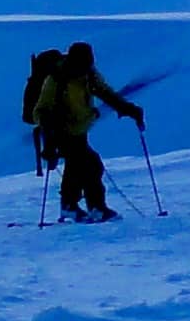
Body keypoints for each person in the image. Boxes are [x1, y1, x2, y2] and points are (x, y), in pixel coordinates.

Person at [28, 40, 143, 221]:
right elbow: (41, 111)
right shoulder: (56, 79)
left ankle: (71, 206)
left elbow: (105, 92)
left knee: (78, 166)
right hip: (60, 130)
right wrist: (49, 142)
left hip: (78, 129)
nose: (86, 68)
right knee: (90, 164)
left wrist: (128, 108)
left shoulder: (88, 74)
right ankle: (93, 207)